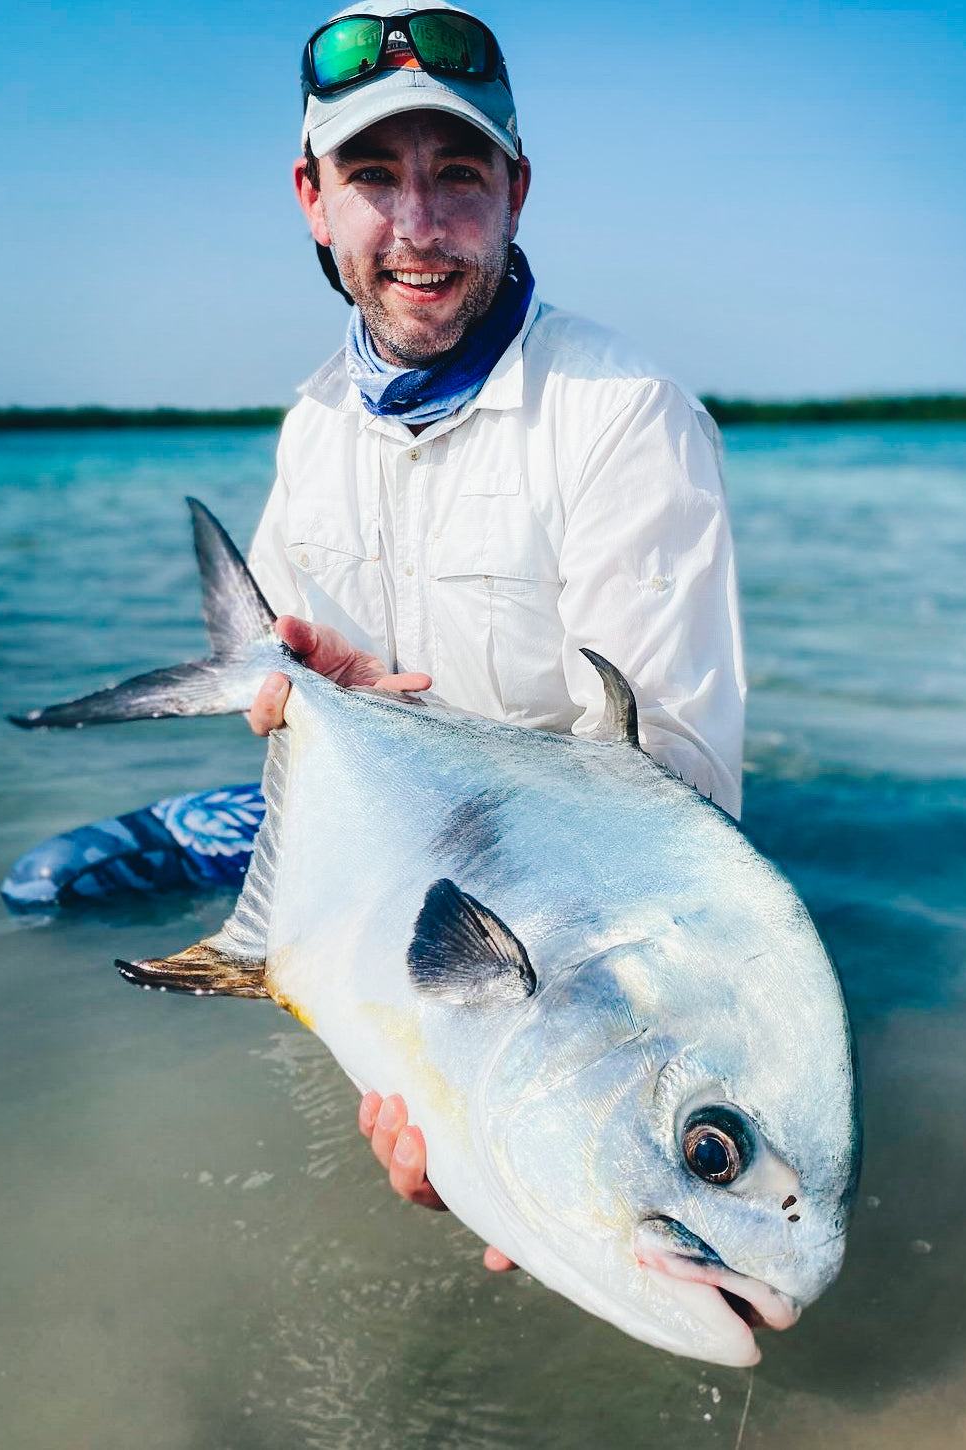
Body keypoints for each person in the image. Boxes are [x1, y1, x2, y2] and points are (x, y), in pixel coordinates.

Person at [246, 2, 746, 1271]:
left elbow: (675, 807)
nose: (418, 230)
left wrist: (535, 1109)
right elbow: (277, 678)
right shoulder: (312, 426)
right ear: (313, 198)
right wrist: (305, 695)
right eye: (372, 177)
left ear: (517, 192)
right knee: (54, 885)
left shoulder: (626, 418)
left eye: (457, 177)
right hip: (359, 852)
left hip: (546, 917)